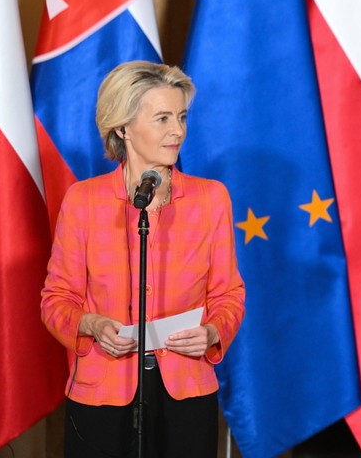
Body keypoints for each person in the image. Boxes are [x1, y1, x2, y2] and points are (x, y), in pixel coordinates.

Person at [42, 61, 245, 458]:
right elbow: (55, 299)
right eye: (163, 118)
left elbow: (229, 294)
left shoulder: (211, 198)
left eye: (182, 117)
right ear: (122, 126)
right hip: (102, 393)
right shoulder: (83, 201)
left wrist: (213, 331)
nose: (178, 131)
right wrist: (91, 323)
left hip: (186, 392)